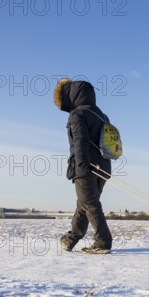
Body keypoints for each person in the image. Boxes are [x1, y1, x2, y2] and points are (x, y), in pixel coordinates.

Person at [54, 78, 113, 254]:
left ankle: (103, 241)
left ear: (70, 96)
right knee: (84, 204)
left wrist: (81, 162)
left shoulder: (78, 114)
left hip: (85, 165)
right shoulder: (102, 115)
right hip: (103, 167)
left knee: (90, 203)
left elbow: (80, 139)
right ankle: (71, 239)